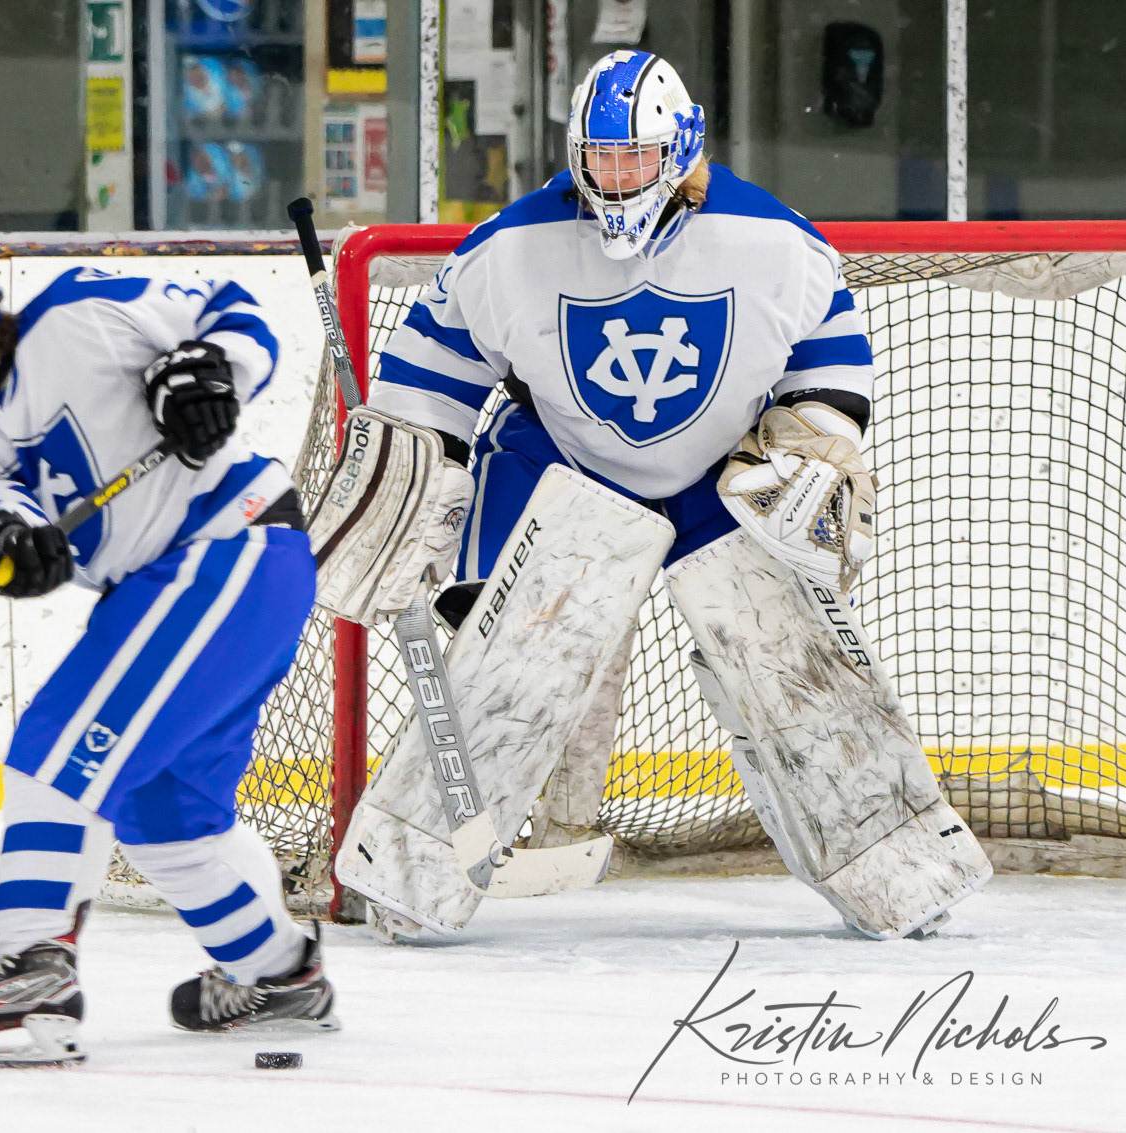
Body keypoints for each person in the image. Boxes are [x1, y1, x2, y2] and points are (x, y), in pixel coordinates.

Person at [317, 50, 991, 941]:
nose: (618, 174)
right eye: (601, 155)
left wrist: (813, 434)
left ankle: (894, 864)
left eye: (635, 155)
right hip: (562, 467)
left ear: (681, 148)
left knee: (788, 661)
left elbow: (828, 352)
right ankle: (412, 868)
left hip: (723, 480)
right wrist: (416, 474)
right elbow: (434, 366)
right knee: (513, 667)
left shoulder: (773, 239)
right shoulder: (509, 247)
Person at [0, 237, 337, 1066]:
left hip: (230, 547)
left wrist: (209, 373)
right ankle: (279, 973)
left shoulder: (84, 311)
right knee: (166, 820)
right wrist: (14, 541)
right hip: (190, 586)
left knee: (56, 749)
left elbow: (234, 310)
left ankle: (35, 967)